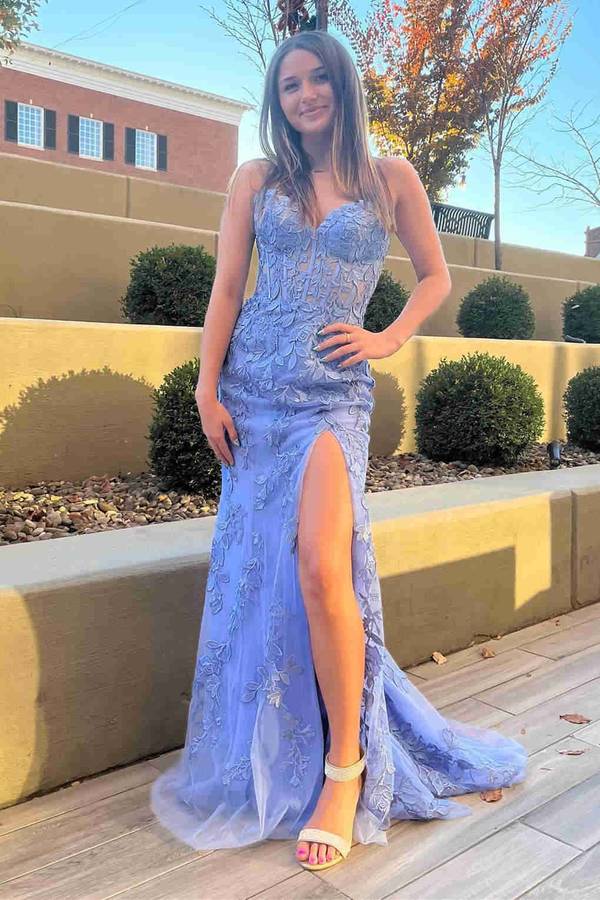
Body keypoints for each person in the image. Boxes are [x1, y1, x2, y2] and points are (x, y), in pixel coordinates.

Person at [150, 29, 527, 872]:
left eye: (319, 79)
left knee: (324, 568)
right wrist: (205, 389)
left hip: (332, 395)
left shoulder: (390, 177)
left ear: (343, 85)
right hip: (253, 392)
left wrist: (387, 337)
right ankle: (273, 746)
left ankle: (345, 768)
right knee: (261, 575)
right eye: (290, 85)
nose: (307, 95)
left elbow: (435, 275)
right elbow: (226, 287)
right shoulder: (256, 179)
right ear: (277, 101)